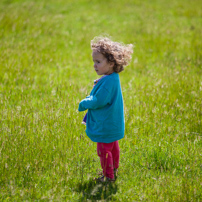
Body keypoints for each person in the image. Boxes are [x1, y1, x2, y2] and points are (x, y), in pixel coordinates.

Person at [78, 36, 133, 182]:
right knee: (113, 146)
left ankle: (108, 177)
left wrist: (84, 103)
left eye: (98, 62)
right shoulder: (112, 77)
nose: (94, 65)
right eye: (94, 62)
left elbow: (99, 100)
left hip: (105, 124)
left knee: (103, 150)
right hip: (112, 123)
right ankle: (113, 168)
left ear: (111, 63)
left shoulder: (109, 81)